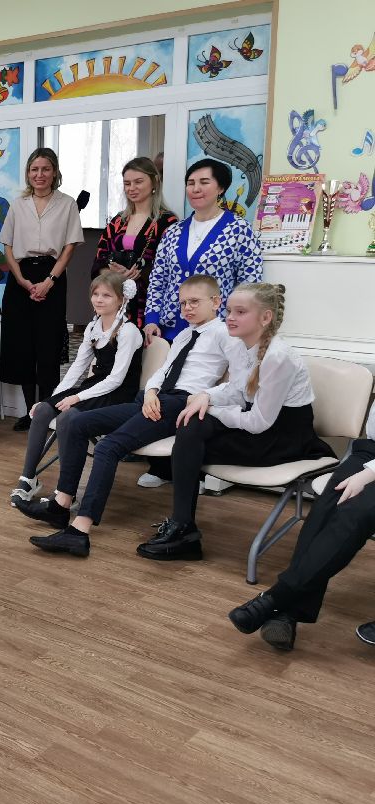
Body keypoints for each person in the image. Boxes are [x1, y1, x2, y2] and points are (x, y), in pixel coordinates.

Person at [18, 275, 237, 557]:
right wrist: (150, 392)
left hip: (183, 402)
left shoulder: (225, 334)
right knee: (75, 421)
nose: (187, 308)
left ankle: (79, 531)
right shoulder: (183, 335)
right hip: (155, 398)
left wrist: (206, 396)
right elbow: (163, 371)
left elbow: (238, 383)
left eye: (195, 302)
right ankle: (61, 505)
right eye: (183, 303)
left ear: (216, 302)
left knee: (109, 446)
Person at [137, 283, 333, 561]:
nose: (230, 317)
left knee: (191, 442)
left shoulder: (278, 357)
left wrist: (213, 408)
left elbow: (258, 422)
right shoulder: (242, 345)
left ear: (265, 318)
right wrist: (207, 395)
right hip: (255, 423)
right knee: (191, 425)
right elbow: (237, 390)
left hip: (280, 436)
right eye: (229, 310)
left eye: (240, 312)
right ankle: (183, 527)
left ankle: (183, 530)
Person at [137, 158, 263, 490]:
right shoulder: (175, 231)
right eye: (191, 182)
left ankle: (202, 466)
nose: (196, 188)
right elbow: (158, 279)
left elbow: (250, 283)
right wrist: (151, 319)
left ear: (220, 188)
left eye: (204, 182)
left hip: (218, 330)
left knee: (206, 397)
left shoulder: (238, 229)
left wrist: (239, 325)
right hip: (173, 326)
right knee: (168, 392)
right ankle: (162, 463)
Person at [229, 401, 375, 651]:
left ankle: (277, 599)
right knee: (324, 511)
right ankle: (288, 608)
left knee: (356, 513)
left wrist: (369, 474)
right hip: (369, 452)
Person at [10, 273, 143, 504]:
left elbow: (116, 379)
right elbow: (77, 368)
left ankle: (64, 493)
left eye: (106, 295)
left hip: (118, 394)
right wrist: (52, 399)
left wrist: (76, 398)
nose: (99, 299)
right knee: (42, 410)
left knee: (67, 418)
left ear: (121, 300)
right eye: (95, 294)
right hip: (95, 387)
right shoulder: (93, 326)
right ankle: (28, 478)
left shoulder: (128, 331)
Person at [0, 147, 84, 432]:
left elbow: (69, 247)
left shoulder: (67, 203)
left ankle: (46, 410)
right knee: (23, 346)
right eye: (34, 169)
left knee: (47, 345)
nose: (40, 175)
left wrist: (50, 281)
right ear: (28, 173)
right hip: (20, 278)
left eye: (45, 169)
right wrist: (21, 279)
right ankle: (28, 411)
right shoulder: (17, 204)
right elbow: (7, 246)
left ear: (55, 172)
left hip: (52, 276)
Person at [90, 156, 178, 327]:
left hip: (148, 303)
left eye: (138, 182)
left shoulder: (167, 222)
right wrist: (112, 272)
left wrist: (140, 272)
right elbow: (99, 259)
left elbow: (170, 267)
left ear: (155, 182)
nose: (132, 188)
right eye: (127, 183)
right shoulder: (118, 221)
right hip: (113, 300)